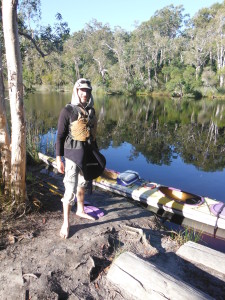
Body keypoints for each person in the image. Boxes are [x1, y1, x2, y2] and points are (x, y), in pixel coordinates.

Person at [56, 78, 97, 239]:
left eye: (87, 90)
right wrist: (58, 159)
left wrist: (97, 155)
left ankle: (80, 210)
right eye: (82, 90)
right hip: (72, 156)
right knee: (70, 189)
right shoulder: (68, 110)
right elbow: (59, 136)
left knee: (83, 184)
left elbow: (93, 136)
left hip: (87, 155)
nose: (85, 93)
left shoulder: (91, 111)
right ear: (76, 91)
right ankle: (66, 223)